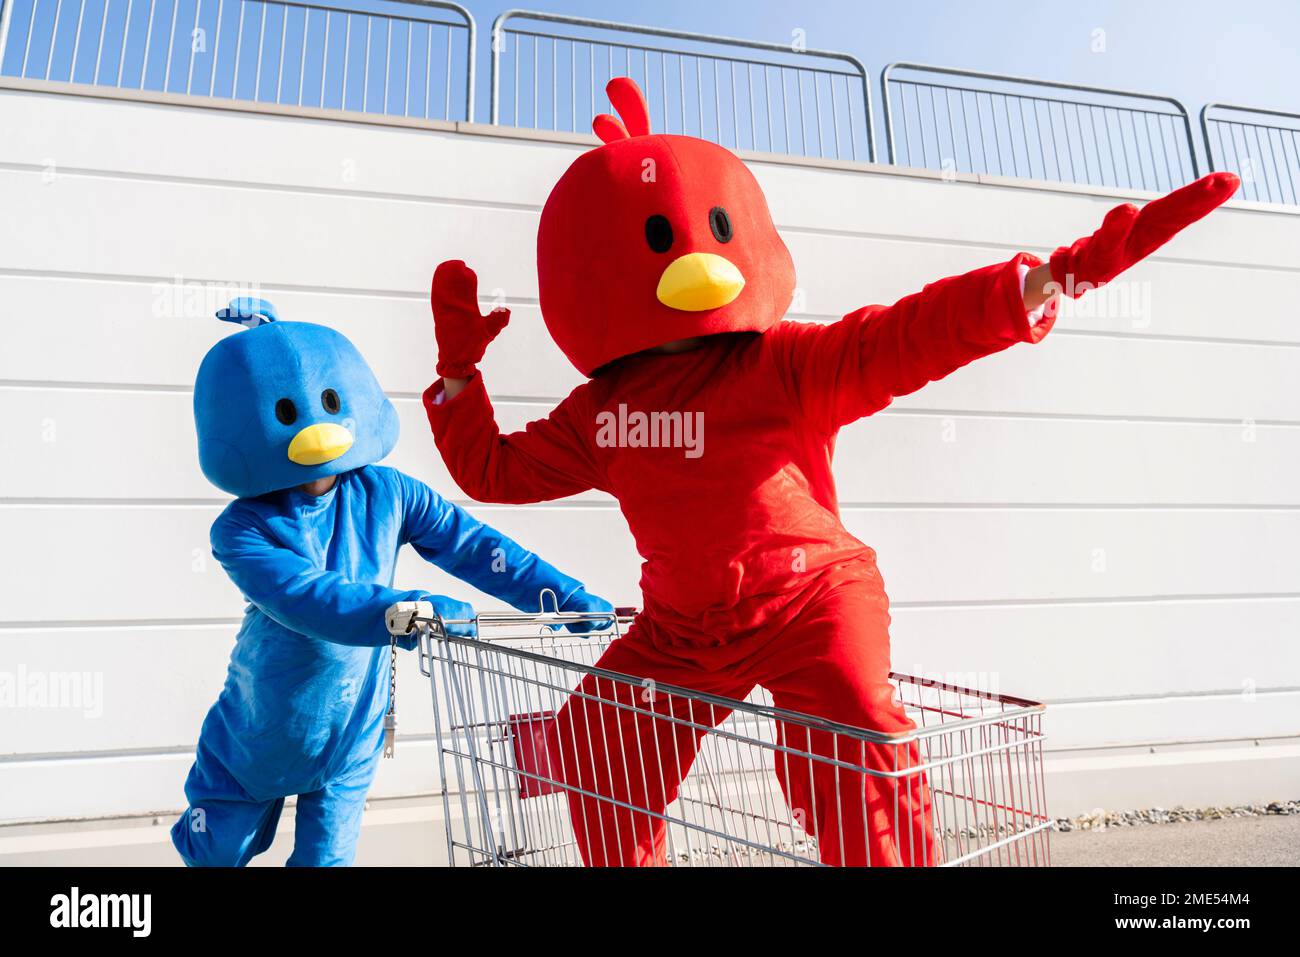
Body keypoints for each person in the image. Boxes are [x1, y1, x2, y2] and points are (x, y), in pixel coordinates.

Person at [423, 78, 1239, 866]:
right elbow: (496, 472)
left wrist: (1052, 277)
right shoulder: (602, 411)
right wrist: (459, 375)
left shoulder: (784, 364)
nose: (695, 264)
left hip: (813, 600)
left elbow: (911, 333)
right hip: (682, 629)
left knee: (847, 747)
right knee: (600, 744)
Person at [172, 298, 612, 866]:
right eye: (286, 411)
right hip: (260, 733)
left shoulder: (389, 493)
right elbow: (306, 597)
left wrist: (560, 596)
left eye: (330, 403)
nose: (318, 429)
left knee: (327, 859)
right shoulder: (242, 531)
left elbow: (475, 547)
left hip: (352, 735)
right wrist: (404, 609)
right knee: (216, 851)